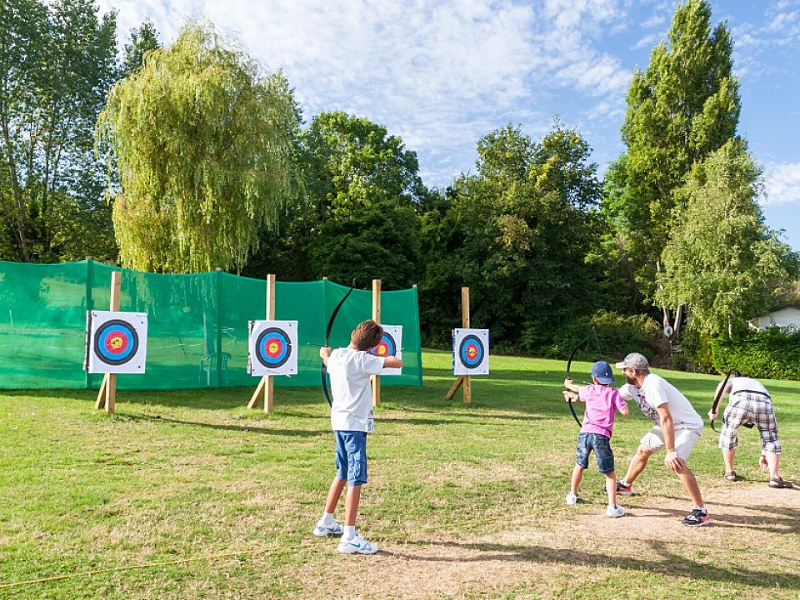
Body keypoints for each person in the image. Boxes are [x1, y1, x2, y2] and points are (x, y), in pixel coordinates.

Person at [313, 319, 403, 554]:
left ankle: (327, 522)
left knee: (342, 472)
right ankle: (349, 537)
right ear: (373, 346)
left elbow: (328, 359)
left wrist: (325, 354)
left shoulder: (337, 357)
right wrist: (391, 351)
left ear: (353, 333)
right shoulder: (365, 360)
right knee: (355, 476)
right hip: (354, 427)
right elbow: (396, 362)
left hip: (339, 424)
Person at [613, 352, 710, 527]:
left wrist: (671, 451)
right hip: (669, 425)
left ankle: (700, 511)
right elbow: (609, 396)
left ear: (634, 371)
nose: (623, 373)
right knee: (643, 449)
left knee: (676, 462)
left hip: (687, 425)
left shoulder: (653, 385)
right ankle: (625, 485)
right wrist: (577, 393)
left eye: (625, 370)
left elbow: (666, 418)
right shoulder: (631, 388)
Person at [563, 360, 630, 517]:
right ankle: (612, 507)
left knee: (579, 464)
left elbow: (579, 392)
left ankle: (572, 495)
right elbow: (625, 411)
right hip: (601, 436)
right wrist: (617, 404)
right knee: (609, 473)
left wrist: (568, 386)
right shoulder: (614, 393)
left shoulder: (589, 390)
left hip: (585, 434)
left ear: (594, 378)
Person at [709, 374, 793, 488]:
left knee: (728, 434)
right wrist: (764, 453)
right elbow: (769, 433)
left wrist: (715, 410)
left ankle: (729, 472)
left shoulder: (733, 380)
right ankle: (774, 477)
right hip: (764, 402)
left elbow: (722, 385)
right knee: (771, 438)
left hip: (740, 399)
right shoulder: (757, 383)